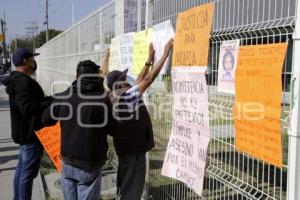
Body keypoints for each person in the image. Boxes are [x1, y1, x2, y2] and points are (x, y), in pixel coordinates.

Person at [106, 39, 173, 200]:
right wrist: (165, 55)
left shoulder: (117, 95)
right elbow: (147, 80)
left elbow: (140, 79)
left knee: (126, 185)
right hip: (132, 151)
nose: (127, 80)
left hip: (127, 149)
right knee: (133, 190)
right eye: (123, 79)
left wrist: (149, 60)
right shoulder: (126, 97)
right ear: (119, 84)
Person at [41, 60, 112, 200]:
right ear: (96, 77)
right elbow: (112, 129)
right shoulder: (102, 100)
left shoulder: (64, 96)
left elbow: (46, 120)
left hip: (67, 160)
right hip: (90, 162)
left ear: (76, 77)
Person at [1, 48, 51, 200]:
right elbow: (28, 107)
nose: (34, 62)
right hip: (30, 134)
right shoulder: (23, 82)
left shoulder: (18, 80)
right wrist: (48, 103)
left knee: (22, 171)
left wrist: (48, 100)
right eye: (31, 59)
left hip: (24, 133)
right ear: (25, 61)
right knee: (27, 175)